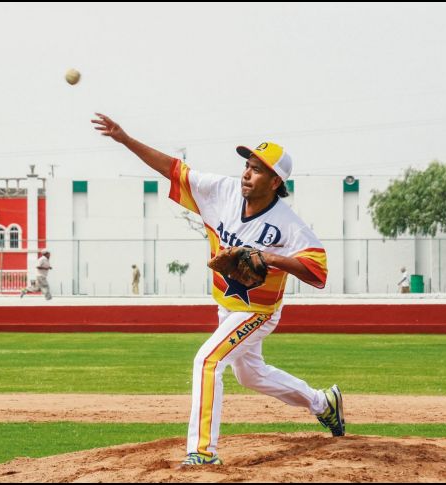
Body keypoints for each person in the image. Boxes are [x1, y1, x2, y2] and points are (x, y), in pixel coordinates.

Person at [92, 113, 343, 467]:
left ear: (275, 182)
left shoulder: (289, 225)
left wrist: (272, 258)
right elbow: (174, 170)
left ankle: (203, 452)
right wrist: (126, 139)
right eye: (247, 164)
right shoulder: (221, 191)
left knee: (207, 361)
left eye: (257, 169)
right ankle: (323, 403)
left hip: (258, 311)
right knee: (250, 374)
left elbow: (318, 271)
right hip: (226, 306)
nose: (246, 172)